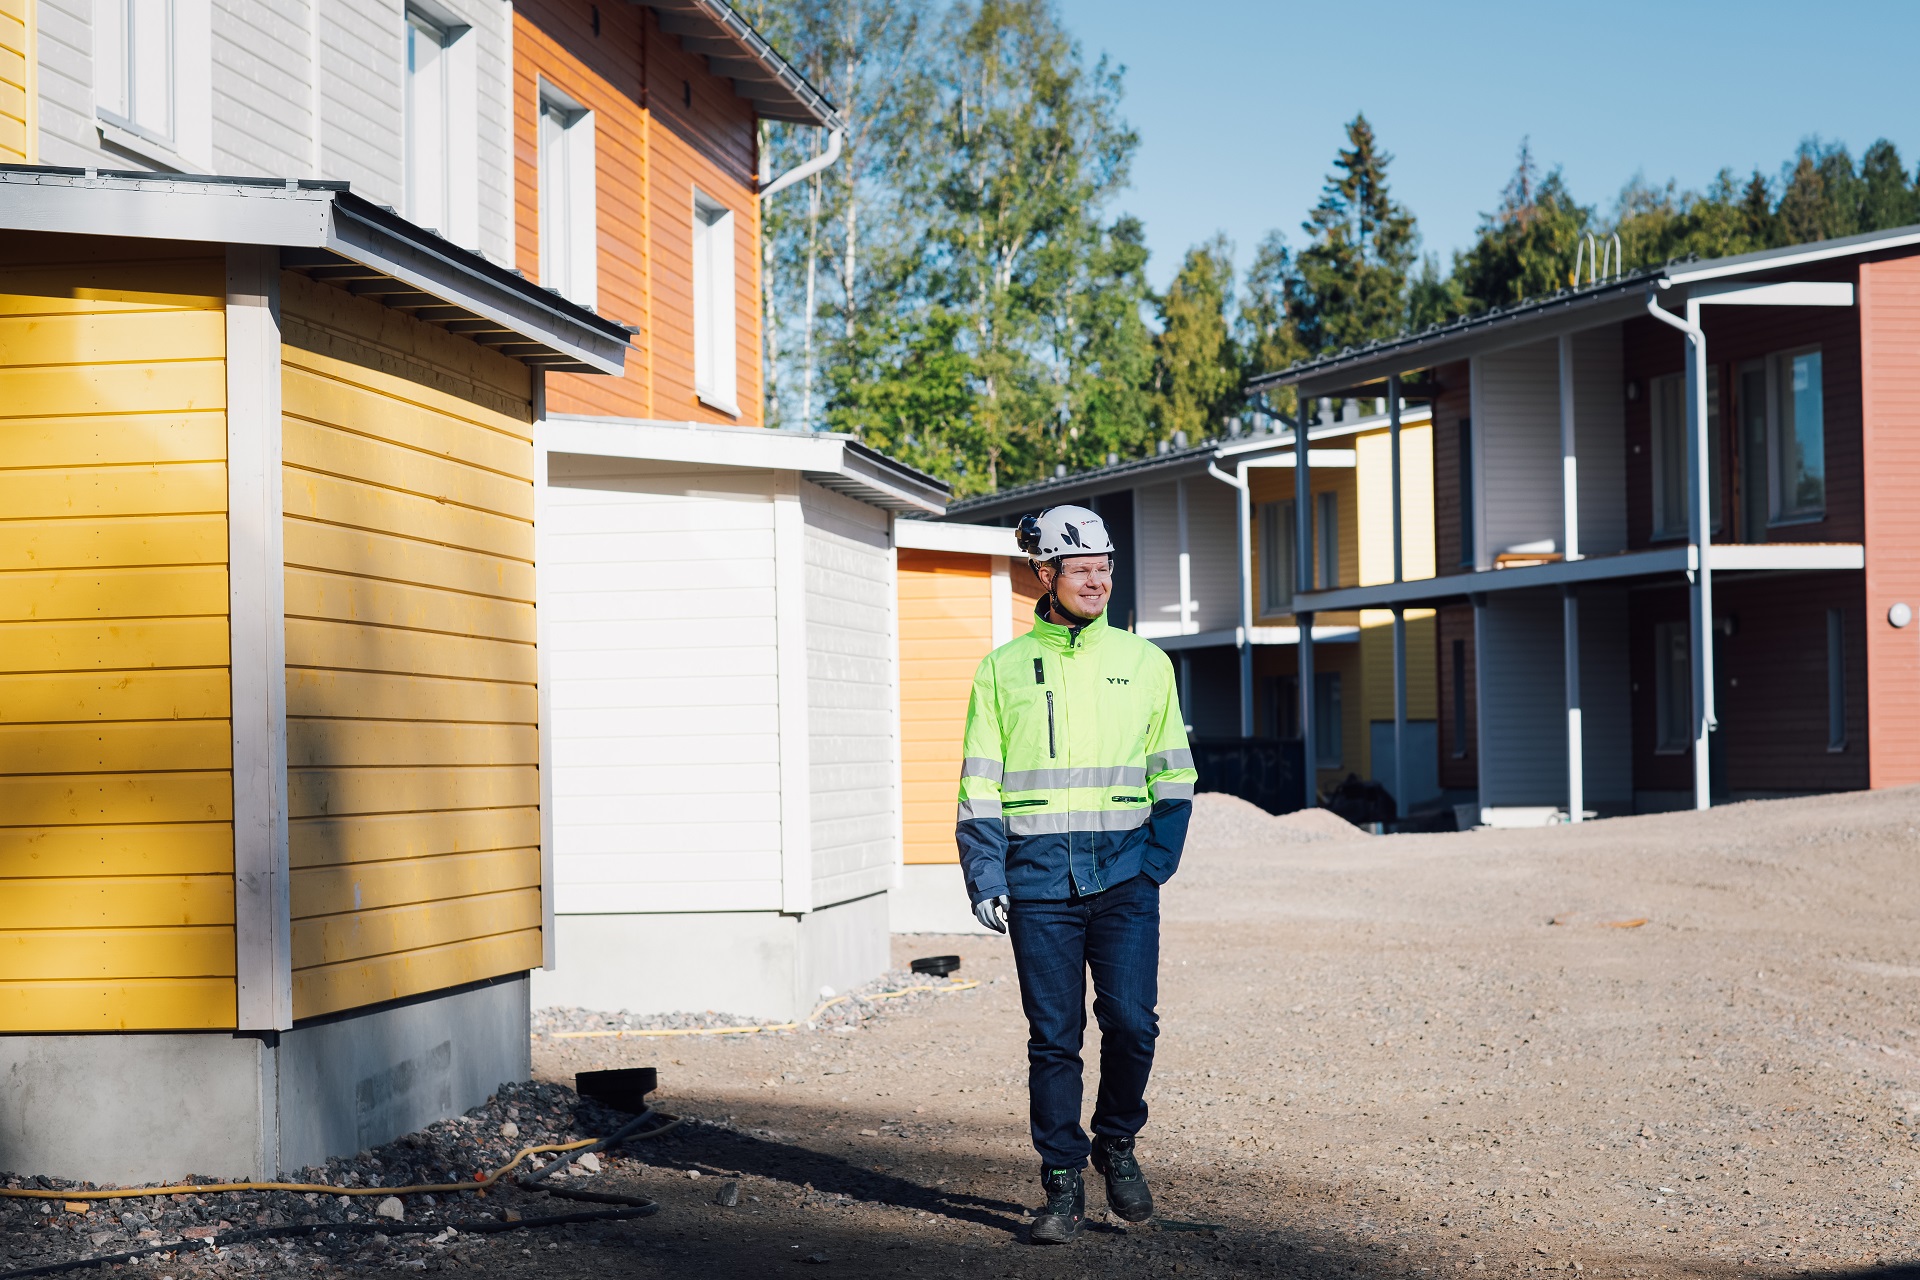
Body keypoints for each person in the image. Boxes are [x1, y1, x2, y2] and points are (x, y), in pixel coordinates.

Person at [955, 504, 1197, 1244]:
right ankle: (1060, 1184)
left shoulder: (1144, 662)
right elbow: (978, 783)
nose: (1098, 581)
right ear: (1046, 573)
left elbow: (1175, 774)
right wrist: (985, 873)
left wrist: (1155, 863)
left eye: (1105, 568)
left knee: (1132, 1023)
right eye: (1082, 569)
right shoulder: (1000, 670)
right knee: (1053, 1039)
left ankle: (1116, 1141)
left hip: (1123, 877)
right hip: (1035, 884)